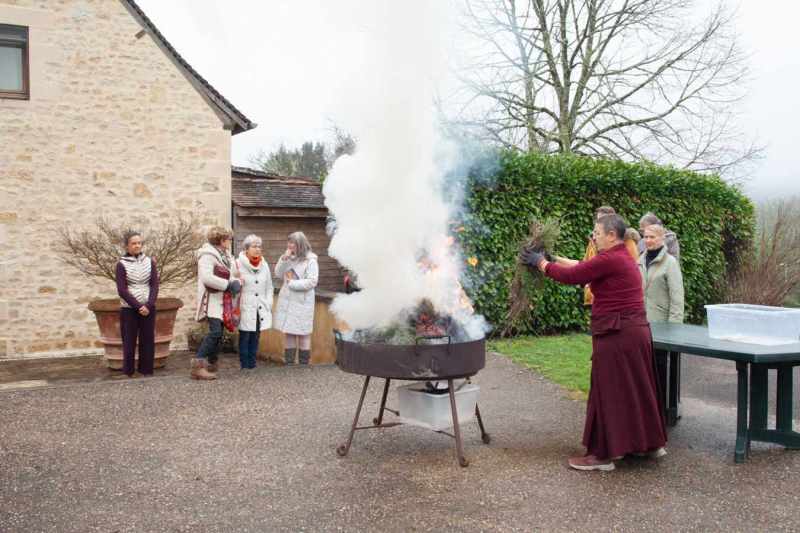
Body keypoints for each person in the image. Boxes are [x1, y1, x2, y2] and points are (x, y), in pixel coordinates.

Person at [522, 214, 667, 471]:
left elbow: (574, 276)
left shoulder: (611, 258)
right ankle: (648, 444)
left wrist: (540, 263)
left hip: (618, 335)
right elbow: (583, 266)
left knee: (607, 390)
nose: (594, 236)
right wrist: (551, 259)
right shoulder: (620, 257)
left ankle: (601, 456)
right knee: (636, 388)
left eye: (597, 233)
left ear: (612, 235)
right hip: (635, 333)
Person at [192, 226, 241, 380]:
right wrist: (227, 285)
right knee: (215, 332)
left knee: (219, 334)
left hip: (223, 300)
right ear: (221, 240)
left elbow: (231, 274)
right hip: (212, 299)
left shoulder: (226, 255)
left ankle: (211, 363)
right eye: (228, 239)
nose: (230, 242)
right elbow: (206, 277)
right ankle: (197, 366)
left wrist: (236, 282)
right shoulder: (207, 255)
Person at [115, 231, 159, 377]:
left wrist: (148, 305)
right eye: (133, 243)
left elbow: (154, 285)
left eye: (139, 243)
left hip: (148, 307)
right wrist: (138, 306)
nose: (137, 246)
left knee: (148, 341)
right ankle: (128, 372)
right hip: (129, 309)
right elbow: (122, 290)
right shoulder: (121, 264)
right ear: (127, 246)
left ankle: (146, 371)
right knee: (129, 341)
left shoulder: (150, 262)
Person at [274, 231, 319, 366]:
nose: (289, 245)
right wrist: (283, 260)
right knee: (289, 332)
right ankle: (289, 363)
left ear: (300, 244)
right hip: (288, 301)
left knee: (303, 333)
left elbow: (312, 281)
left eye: (292, 243)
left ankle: (303, 364)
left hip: (302, 302)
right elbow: (278, 274)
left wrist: (292, 284)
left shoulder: (310, 261)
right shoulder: (288, 258)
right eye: (289, 242)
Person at [580, 206, 639, 306]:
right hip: (595, 300)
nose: (600, 223)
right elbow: (584, 266)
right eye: (598, 219)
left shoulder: (627, 241)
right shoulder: (593, 242)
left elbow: (634, 270)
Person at [236, 234, 273, 370]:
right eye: (254, 246)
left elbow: (269, 286)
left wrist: (268, 302)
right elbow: (234, 284)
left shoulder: (264, 264)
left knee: (256, 336)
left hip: (260, 307)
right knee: (245, 336)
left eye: (259, 246)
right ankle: (244, 366)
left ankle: (252, 365)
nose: (257, 249)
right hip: (245, 306)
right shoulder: (238, 263)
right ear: (246, 249)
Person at [639, 224, 684, 323]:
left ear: (662, 238)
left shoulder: (670, 262)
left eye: (652, 237)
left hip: (661, 322)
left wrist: (674, 326)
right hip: (640, 323)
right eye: (646, 237)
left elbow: (677, 298)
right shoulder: (639, 261)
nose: (648, 240)